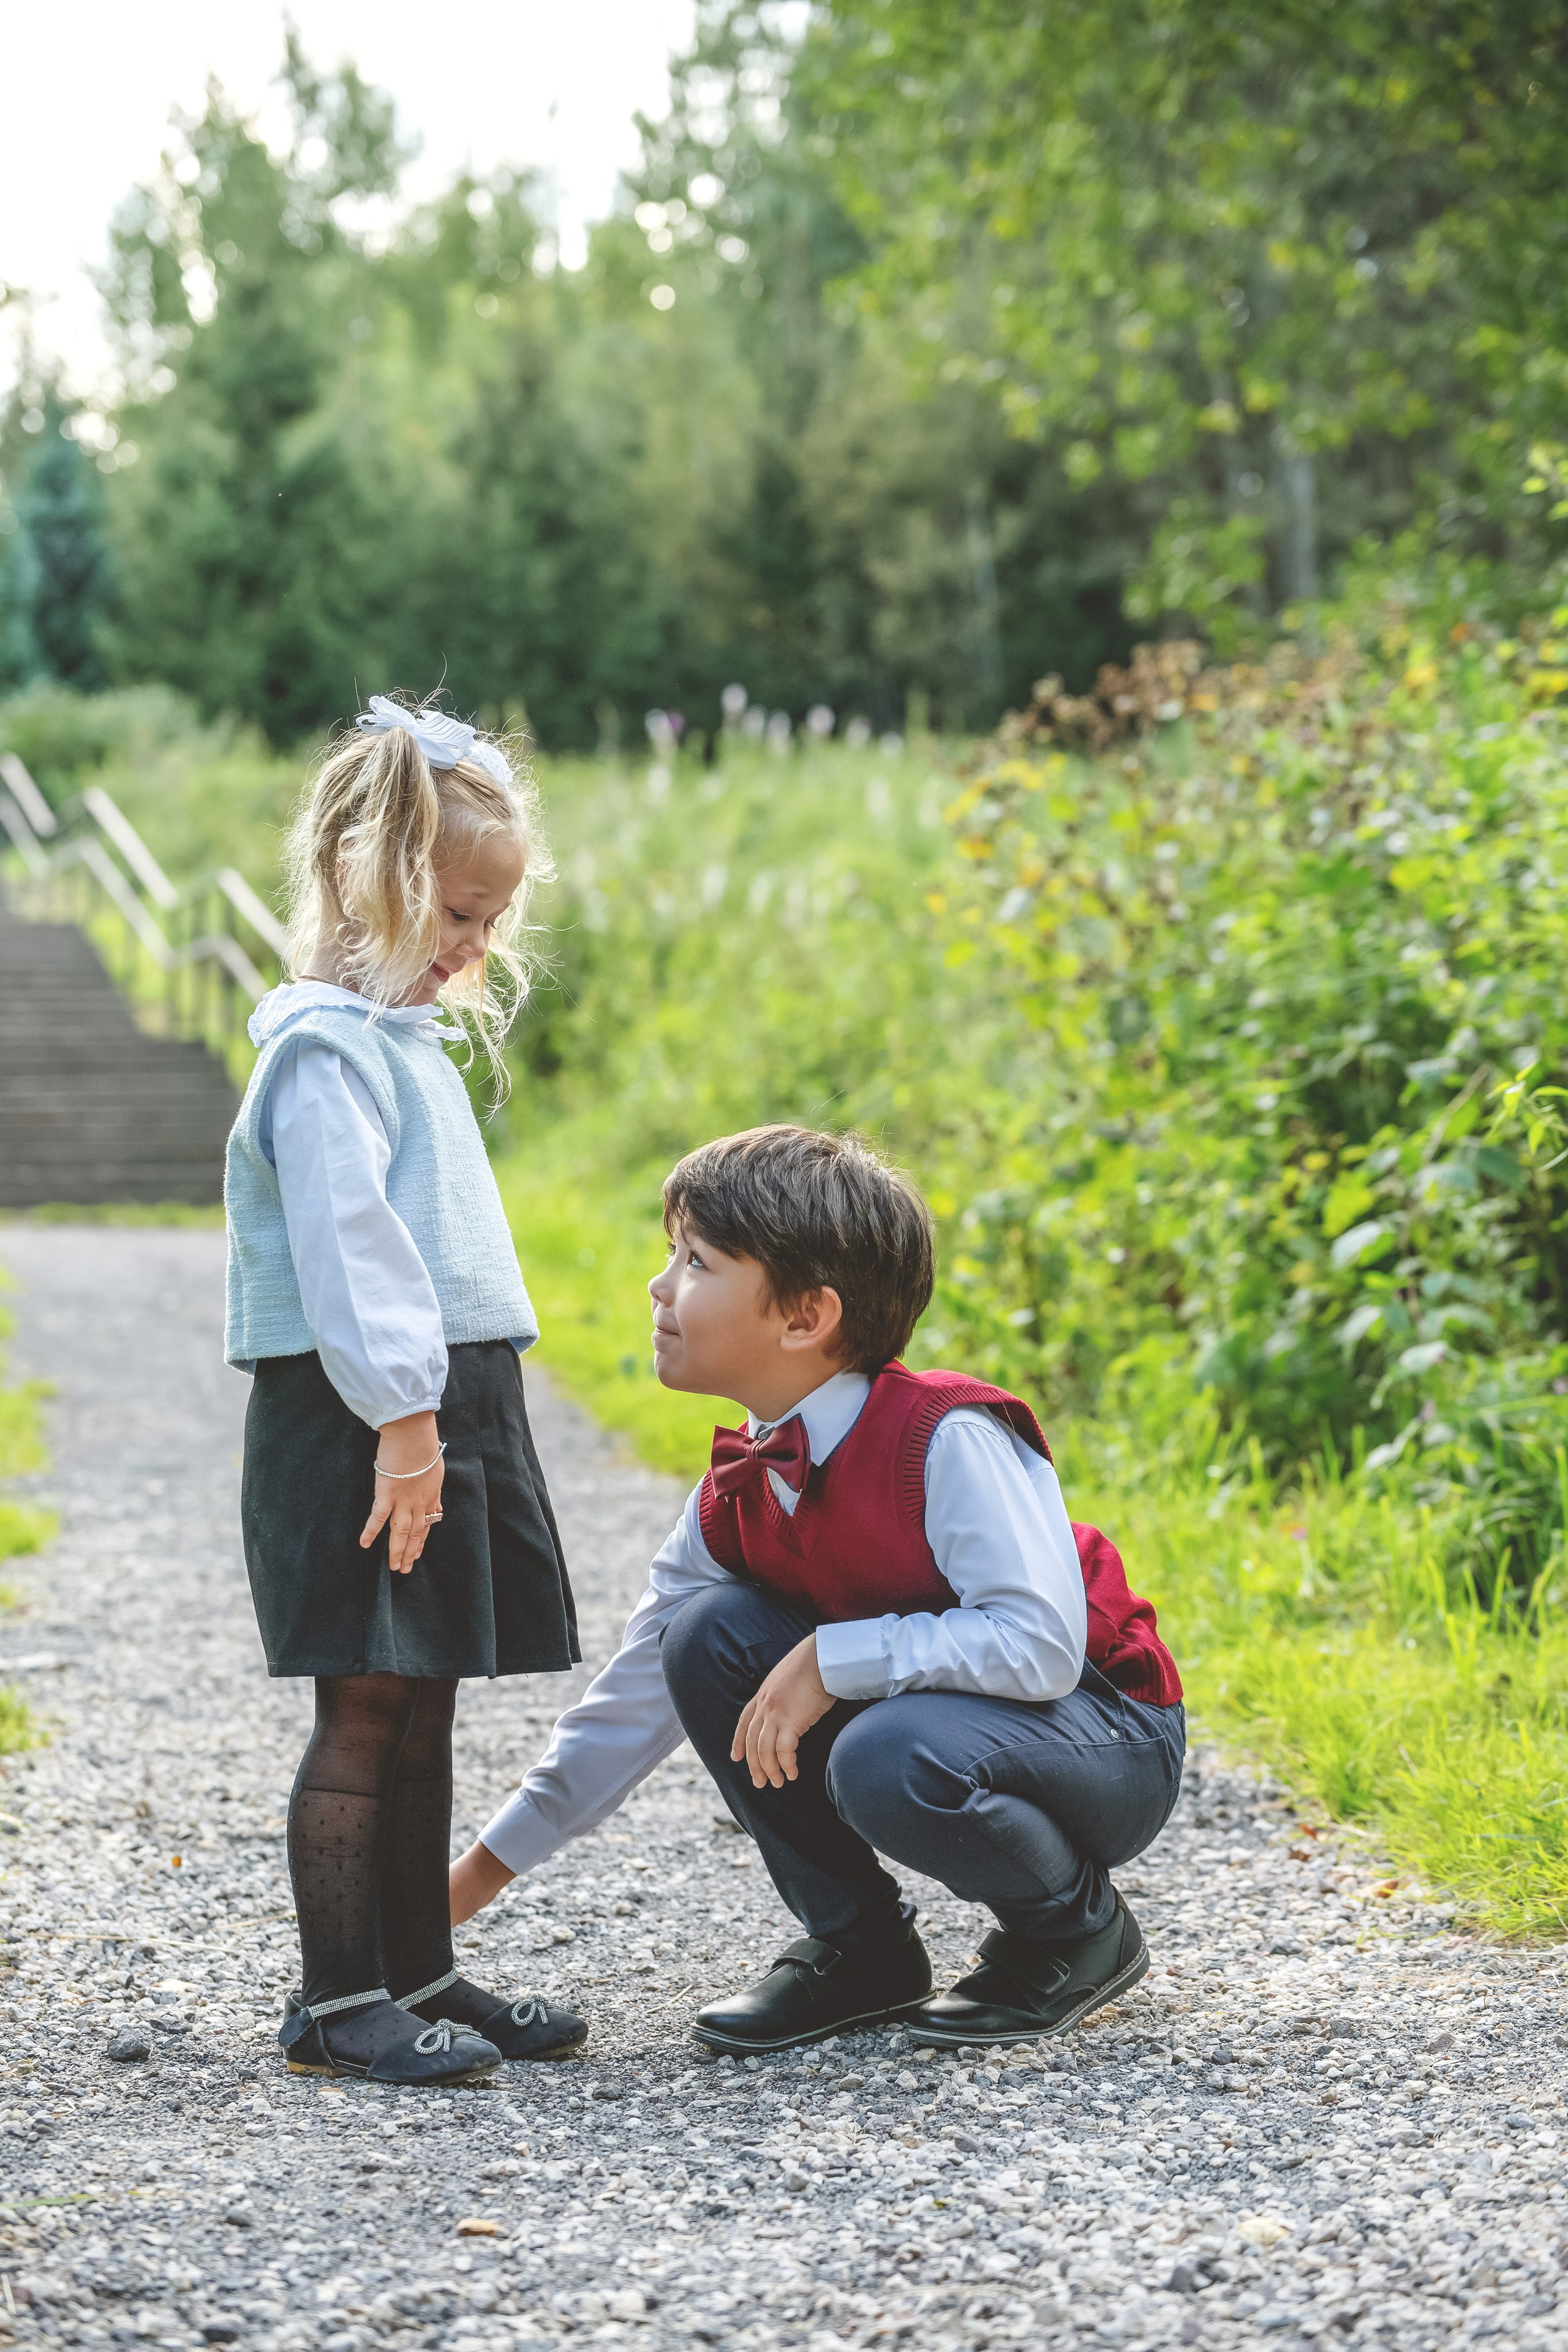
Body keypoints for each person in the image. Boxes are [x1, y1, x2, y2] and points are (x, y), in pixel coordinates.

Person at [451, 1123, 1185, 2052]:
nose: (659, 1285)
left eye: (697, 1262)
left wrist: (834, 1659)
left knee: (885, 1750)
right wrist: (474, 1878)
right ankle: (860, 1948)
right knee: (705, 1635)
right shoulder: (737, 1493)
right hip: (956, 1720)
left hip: (1105, 1733)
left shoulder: (946, 1436)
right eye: (668, 1255)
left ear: (805, 1318)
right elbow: (630, 1704)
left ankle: (1077, 1930)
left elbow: (1040, 1647)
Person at [225, 695, 587, 2085]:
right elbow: (356, 1260)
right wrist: (406, 1425)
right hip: (366, 1417)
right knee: (365, 1703)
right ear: (360, 881)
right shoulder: (320, 1053)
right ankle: (334, 2002)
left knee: (426, 1690)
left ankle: (417, 1972)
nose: (471, 947)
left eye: (489, 922)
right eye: (452, 914)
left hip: (434, 1406)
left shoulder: (400, 1047)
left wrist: (438, 1414)